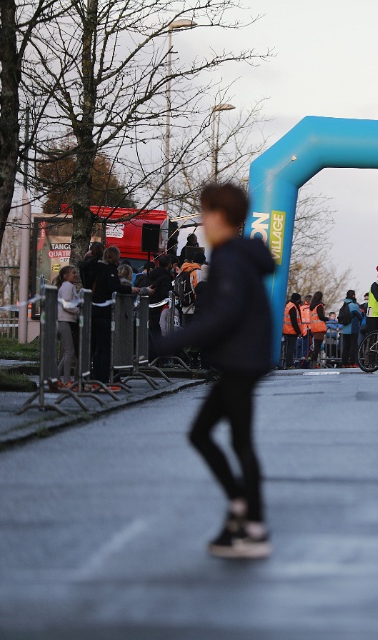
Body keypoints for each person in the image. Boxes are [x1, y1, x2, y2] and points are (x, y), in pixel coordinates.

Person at [151, 182, 274, 559]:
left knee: (223, 438)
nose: (203, 221)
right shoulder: (237, 254)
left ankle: (252, 524)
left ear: (220, 216)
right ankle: (242, 512)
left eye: (206, 213)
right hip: (244, 358)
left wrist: (168, 343)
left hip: (240, 360)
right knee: (217, 437)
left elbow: (223, 314)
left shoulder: (229, 258)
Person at [91, 246, 141, 384]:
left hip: (95, 310)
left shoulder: (98, 269)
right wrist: (130, 289)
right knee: (106, 347)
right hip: (105, 311)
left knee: (98, 348)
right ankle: (104, 378)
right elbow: (114, 287)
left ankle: (97, 377)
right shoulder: (110, 270)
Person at [56, 265, 80, 387]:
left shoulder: (66, 286)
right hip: (64, 320)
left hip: (64, 321)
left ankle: (56, 377)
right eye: (73, 273)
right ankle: (66, 380)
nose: (76, 275)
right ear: (66, 276)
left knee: (68, 351)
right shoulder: (68, 287)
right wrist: (78, 310)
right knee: (69, 351)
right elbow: (66, 304)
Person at [176, 253, 205, 325]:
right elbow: (198, 289)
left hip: (183, 305)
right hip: (193, 307)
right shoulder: (198, 272)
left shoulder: (183, 270)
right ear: (203, 262)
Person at [339, 290, 363, 367]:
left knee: (346, 346)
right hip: (353, 328)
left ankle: (344, 363)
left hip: (345, 329)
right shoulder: (354, 305)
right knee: (353, 346)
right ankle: (353, 362)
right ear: (353, 296)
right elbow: (360, 316)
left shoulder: (344, 305)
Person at [282, 293, 303, 369]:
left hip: (286, 329)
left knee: (286, 348)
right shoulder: (293, 307)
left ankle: (285, 363)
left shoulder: (288, 305)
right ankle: (289, 364)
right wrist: (299, 332)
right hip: (291, 330)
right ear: (298, 299)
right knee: (291, 348)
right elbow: (294, 321)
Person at [308, 291, 328, 367]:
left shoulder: (312, 306)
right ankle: (313, 363)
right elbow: (321, 316)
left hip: (314, 327)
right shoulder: (319, 305)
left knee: (316, 347)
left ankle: (312, 363)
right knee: (317, 347)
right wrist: (327, 318)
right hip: (319, 328)